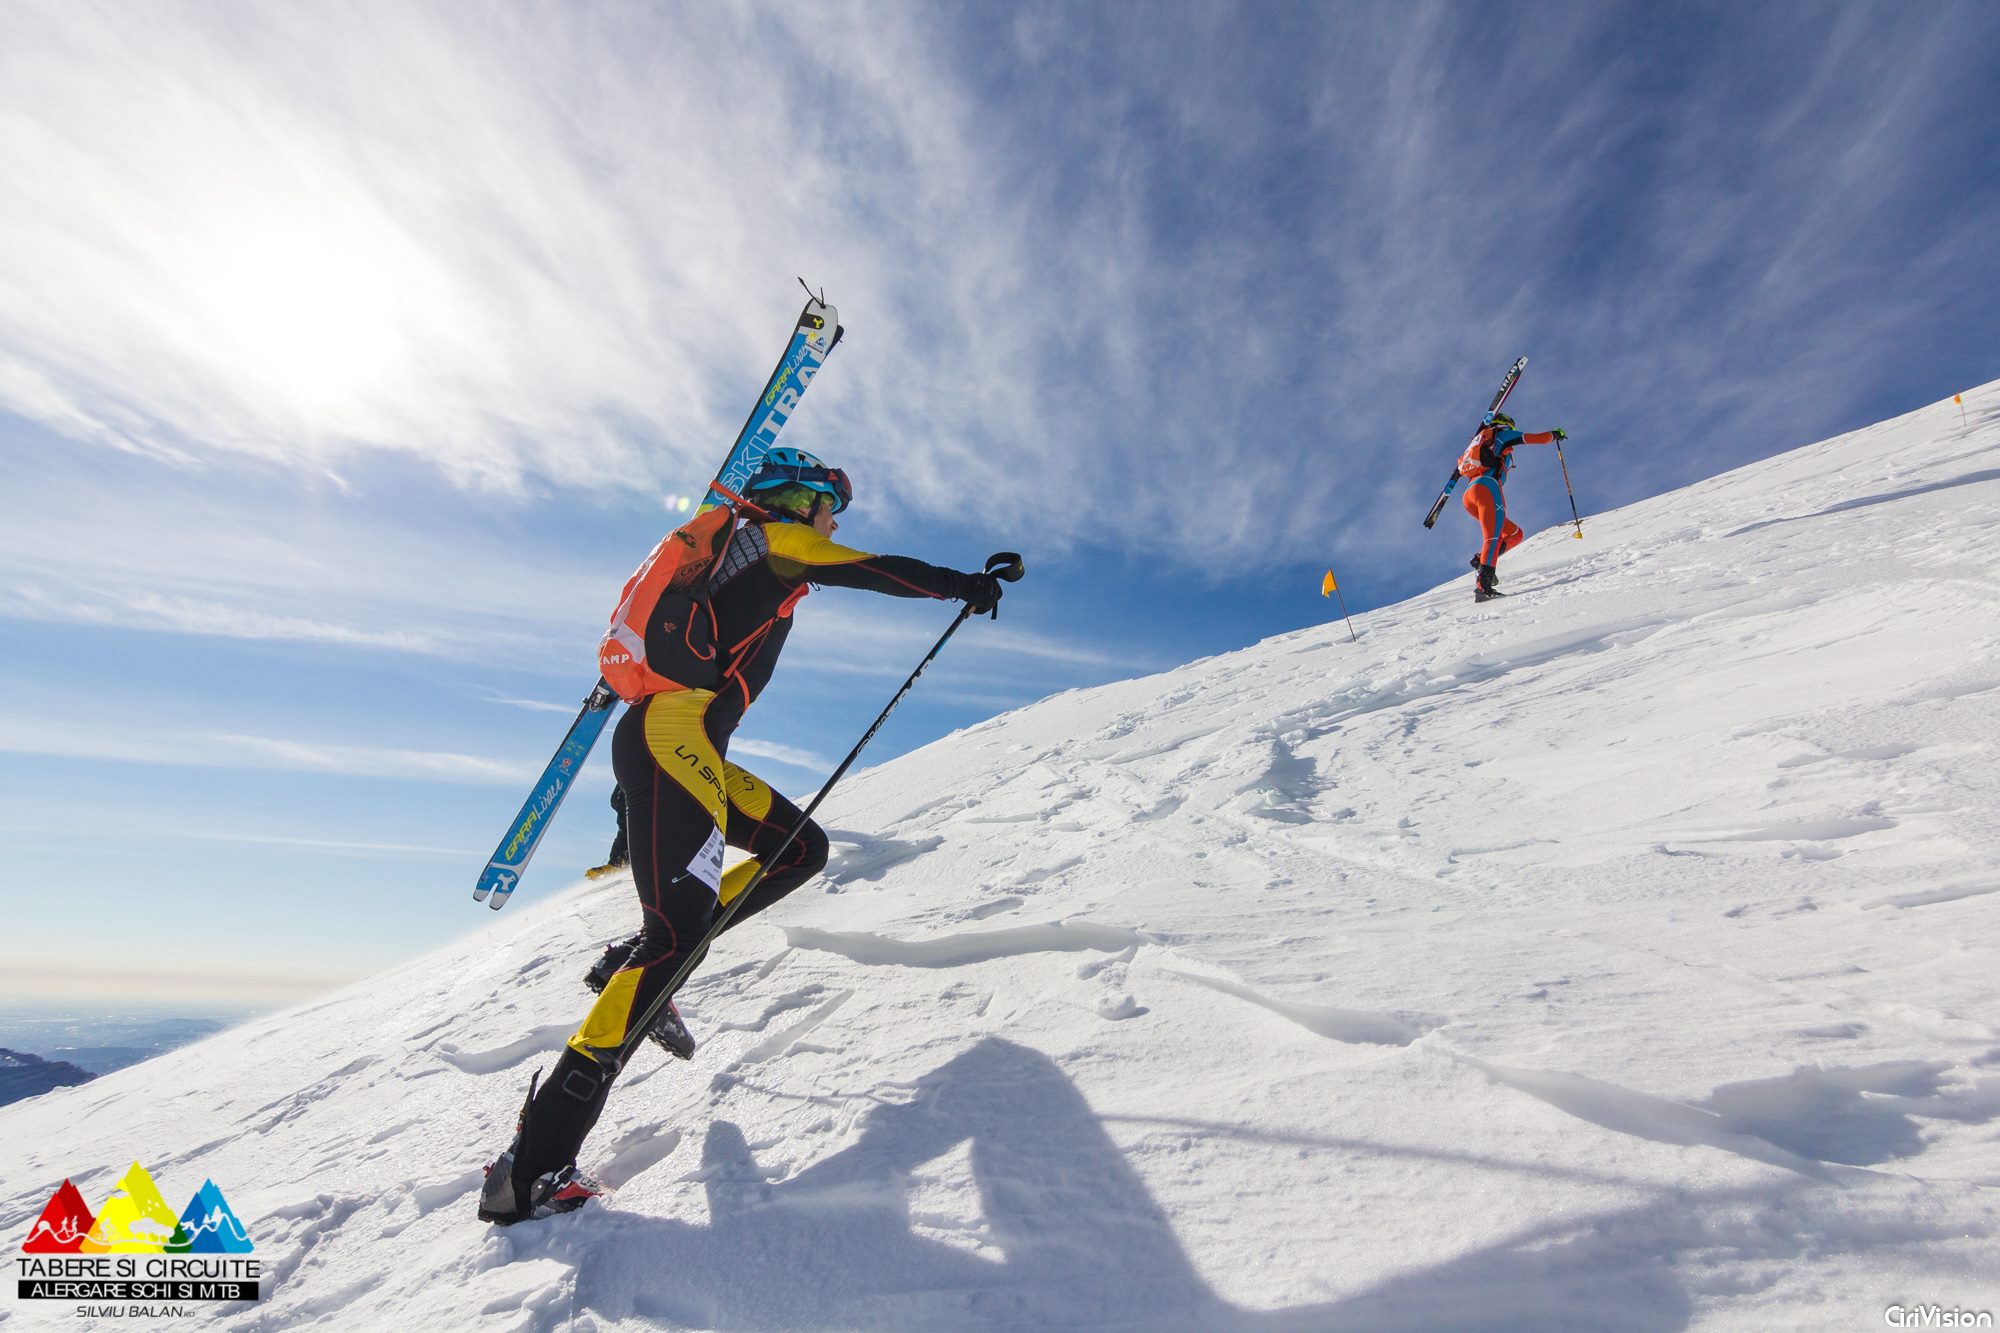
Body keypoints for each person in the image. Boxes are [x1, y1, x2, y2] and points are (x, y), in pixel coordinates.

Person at [478, 447, 1008, 1225]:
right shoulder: (782, 541)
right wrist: (964, 585)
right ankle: (530, 1169)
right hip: (673, 740)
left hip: (679, 746)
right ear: (802, 502)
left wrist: (633, 807)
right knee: (675, 940)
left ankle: (639, 964)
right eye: (831, 507)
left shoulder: (746, 555)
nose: (835, 524)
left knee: (800, 849)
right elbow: (876, 567)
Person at [1457, 411, 1567, 601]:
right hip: (1487, 488)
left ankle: (1480, 560)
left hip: (1469, 496)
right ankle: (1483, 587)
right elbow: (1535, 438)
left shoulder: (1479, 444)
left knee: (1515, 534)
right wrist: (1555, 434)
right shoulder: (1502, 435)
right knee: (1492, 536)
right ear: (1507, 424)